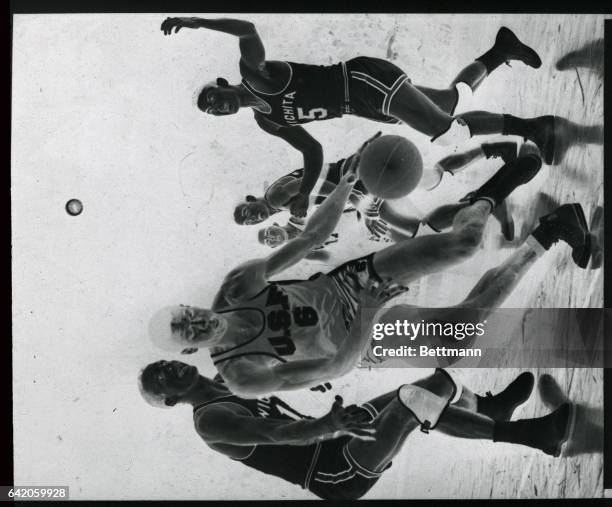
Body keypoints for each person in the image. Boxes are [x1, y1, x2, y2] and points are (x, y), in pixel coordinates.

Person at [148, 145, 591, 396]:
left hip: (351, 285)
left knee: (464, 244)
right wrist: (363, 315)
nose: (197, 321)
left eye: (188, 313)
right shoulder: (241, 375)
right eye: (189, 332)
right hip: (358, 338)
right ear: (191, 351)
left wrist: (346, 184)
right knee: (461, 333)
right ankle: (549, 233)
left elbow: (308, 240)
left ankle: (488, 193)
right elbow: (335, 370)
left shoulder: (237, 285)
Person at [161, 16, 562, 216]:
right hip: (365, 105)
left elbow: (247, 30)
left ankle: (532, 128)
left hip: (362, 81)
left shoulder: (255, 76)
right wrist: (303, 192)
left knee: (447, 133)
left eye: (215, 96)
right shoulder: (266, 121)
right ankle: (501, 51)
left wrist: (197, 21)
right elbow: (312, 150)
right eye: (214, 111)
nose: (219, 106)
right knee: (448, 105)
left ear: (223, 83)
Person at [138, 363, 574, 500]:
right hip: (330, 471)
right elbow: (276, 434)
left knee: (434, 385)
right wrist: (328, 423)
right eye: (162, 380)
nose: (167, 369)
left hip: (332, 437)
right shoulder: (209, 420)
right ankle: (534, 436)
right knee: (409, 406)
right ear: (173, 400)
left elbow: (285, 374)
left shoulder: (228, 379)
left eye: (161, 365)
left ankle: (489, 410)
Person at [241, 138, 519, 246]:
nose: (252, 216)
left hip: (359, 179)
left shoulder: (275, 197)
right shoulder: (282, 210)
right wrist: (288, 236)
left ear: (251, 199)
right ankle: (492, 160)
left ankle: (487, 199)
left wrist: (361, 205)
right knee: (432, 180)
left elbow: (315, 188)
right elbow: (306, 218)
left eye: (246, 211)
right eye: (250, 221)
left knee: (418, 223)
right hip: (360, 180)